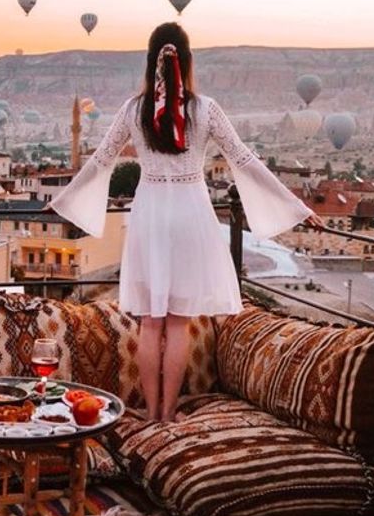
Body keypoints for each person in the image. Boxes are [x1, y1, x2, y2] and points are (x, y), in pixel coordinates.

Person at [49, 22, 319, 422]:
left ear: (149, 62)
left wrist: (62, 200)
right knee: (177, 324)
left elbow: (101, 159)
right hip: (191, 213)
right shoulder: (206, 109)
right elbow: (244, 160)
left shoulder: (132, 111)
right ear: (188, 61)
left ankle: (148, 411)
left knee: (150, 323)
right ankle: (168, 413)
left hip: (151, 213)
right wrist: (295, 205)